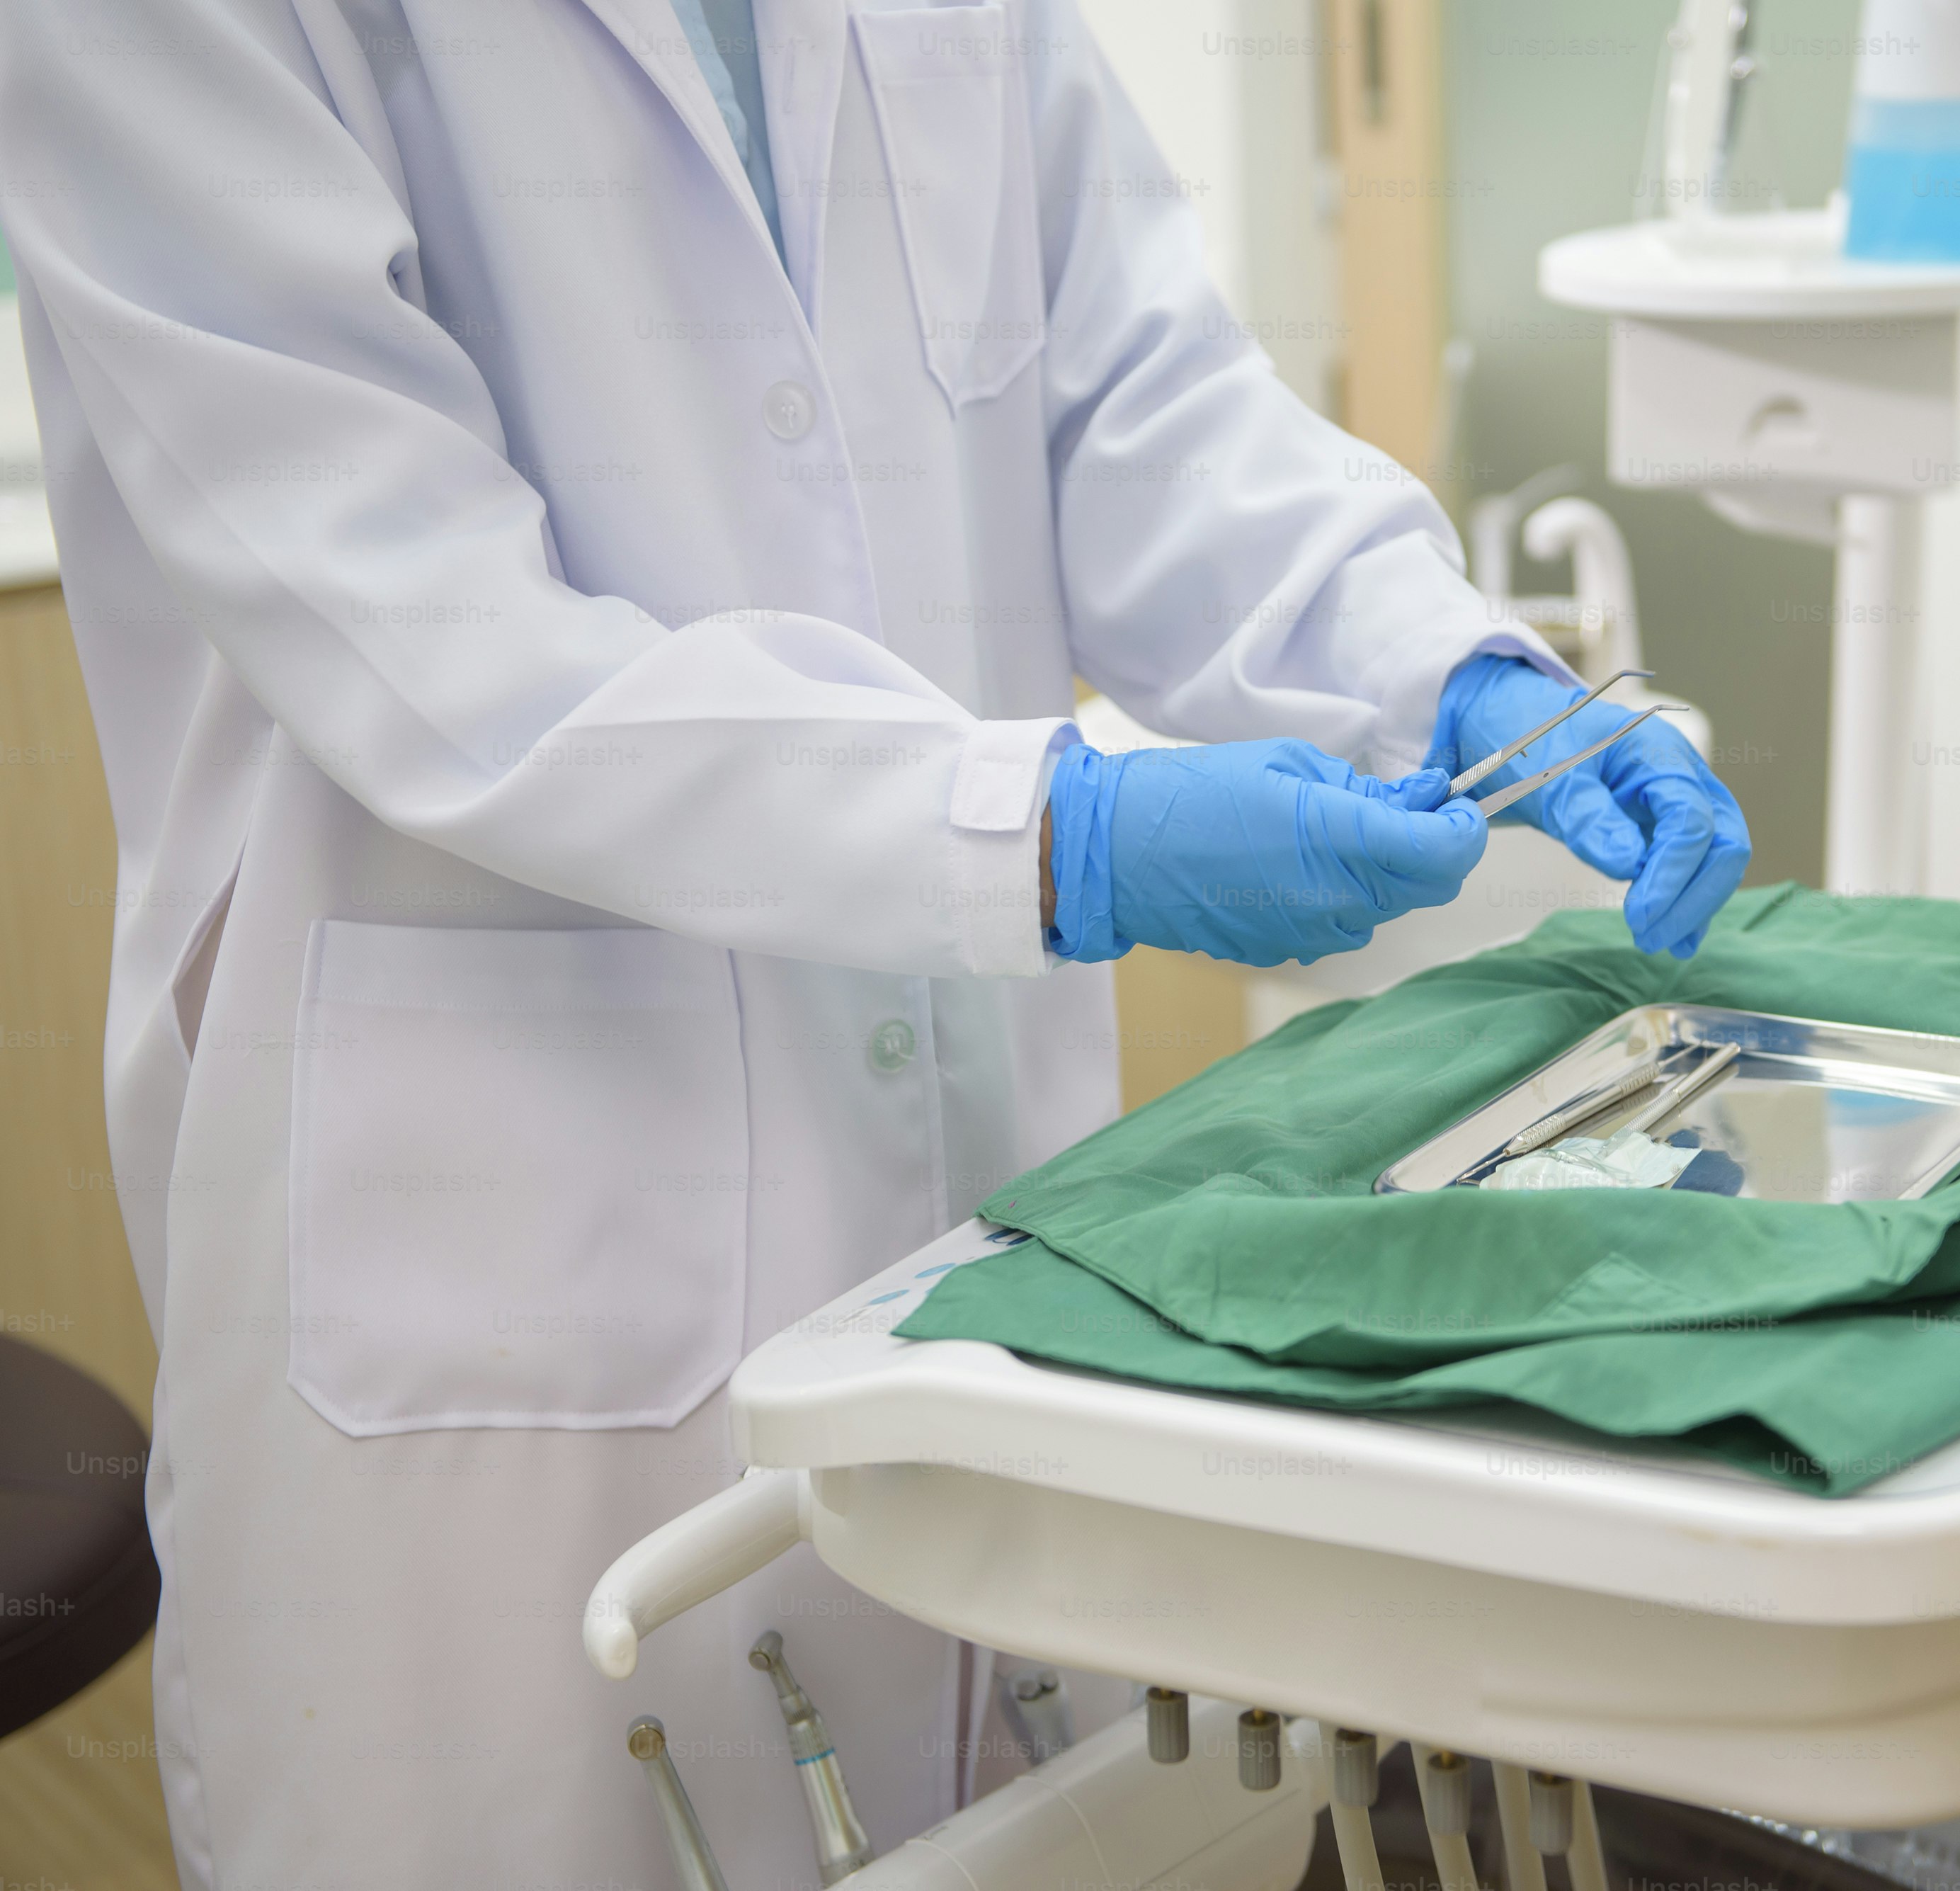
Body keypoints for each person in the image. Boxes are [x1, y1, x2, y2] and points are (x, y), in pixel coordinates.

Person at [0, 0, 1749, 1883]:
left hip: (957, 1229)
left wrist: (1441, 668)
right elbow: (419, 632)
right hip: (489, 1339)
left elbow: (1138, 395)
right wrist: (1048, 832)